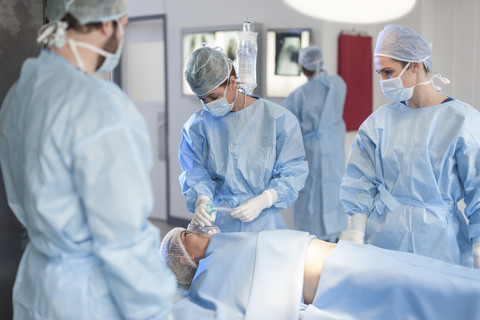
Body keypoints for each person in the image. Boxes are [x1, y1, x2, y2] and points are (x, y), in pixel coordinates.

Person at [0, 1, 176, 319]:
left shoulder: (20, 93)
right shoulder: (98, 106)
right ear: (107, 25)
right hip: (87, 297)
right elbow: (123, 238)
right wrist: (155, 310)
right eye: (124, 23)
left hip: (36, 286)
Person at [340, 24, 480, 268]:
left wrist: (478, 249)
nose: (383, 81)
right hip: (384, 240)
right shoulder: (378, 122)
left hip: (439, 246)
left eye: (389, 72)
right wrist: (356, 234)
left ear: (415, 64)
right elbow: (360, 181)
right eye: (380, 74)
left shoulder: (462, 121)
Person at [160, 227, 480, 320]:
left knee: (426, 273)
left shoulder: (223, 244)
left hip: (346, 258)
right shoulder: (210, 275)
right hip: (338, 278)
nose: (193, 227)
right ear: (190, 256)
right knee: (429, 290)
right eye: (187, 234)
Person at [179, 45, 308, 232]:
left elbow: (292, 172)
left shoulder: (278, 120)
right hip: (217, 226)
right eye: (202, 99)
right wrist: (202, 200)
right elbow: (196, 173)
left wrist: (265, 199)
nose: (208, 105)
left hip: (262, 226)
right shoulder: (196, 127)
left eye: (213, 97)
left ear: (232, 82)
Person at [283, 45, 347, 241]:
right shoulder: (338, 84)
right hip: (333, 147)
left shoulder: (297, 96)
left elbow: (289, 131)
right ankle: (333, 241)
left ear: (302, 67)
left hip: (310, 150)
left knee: (312, 197)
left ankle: (312, 248)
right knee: (331, 190)